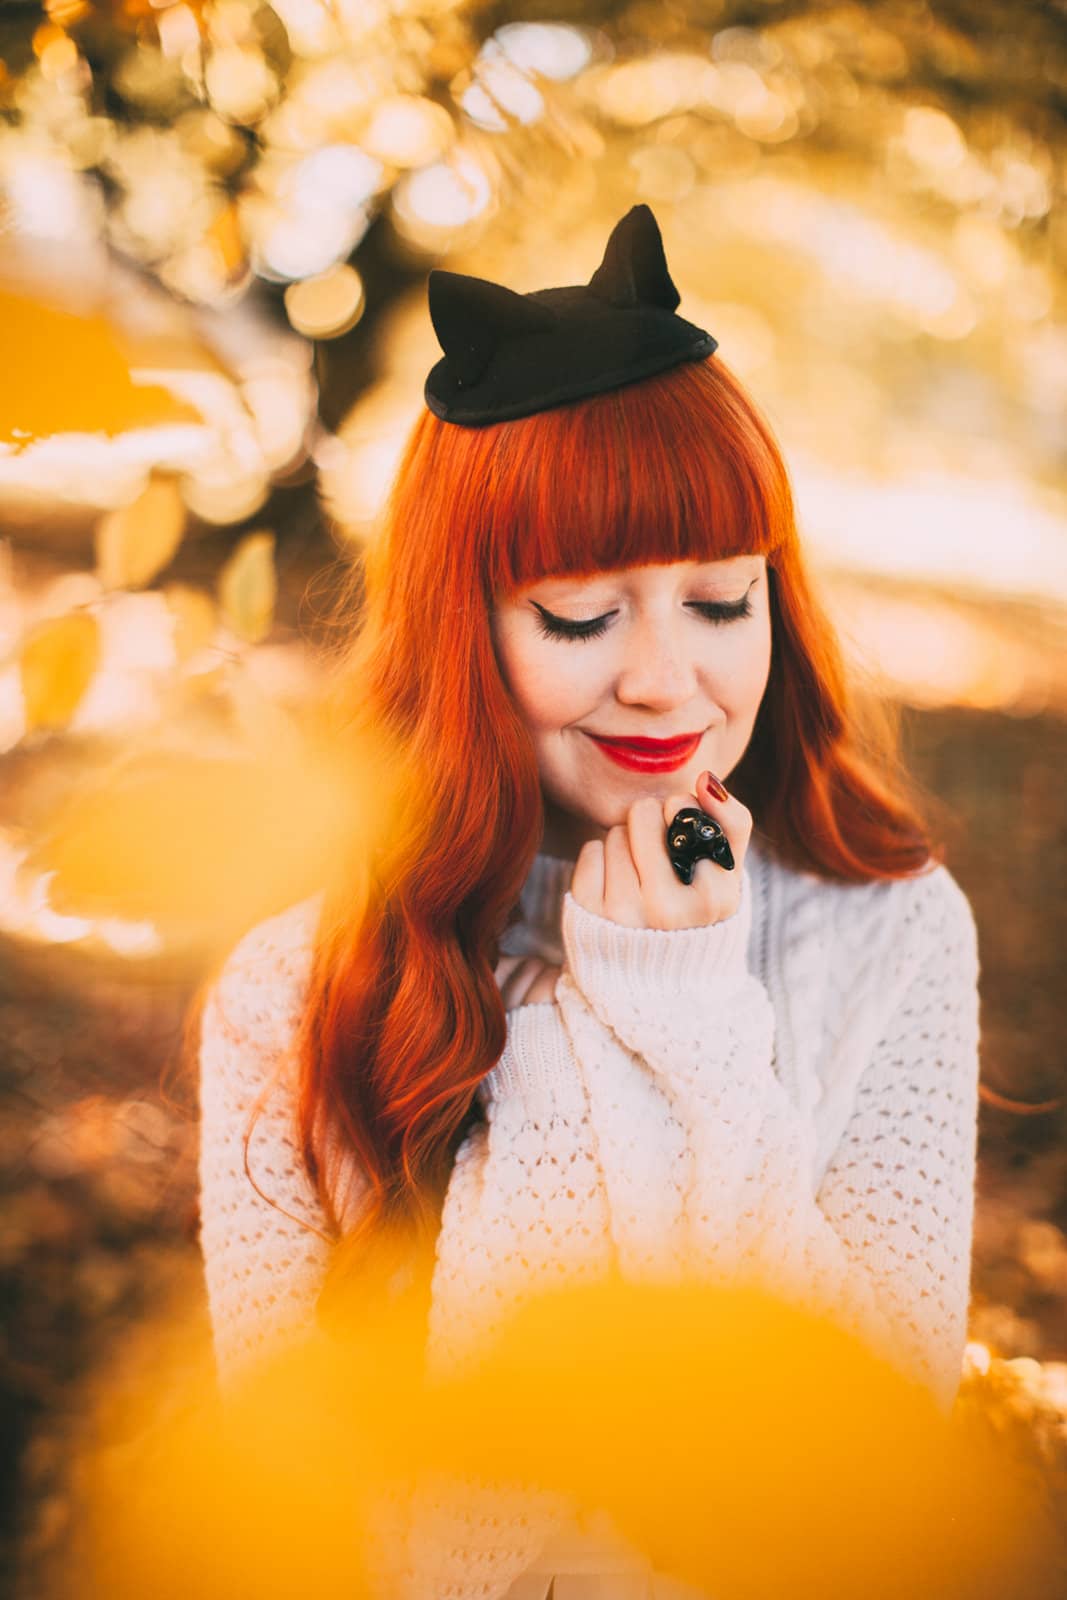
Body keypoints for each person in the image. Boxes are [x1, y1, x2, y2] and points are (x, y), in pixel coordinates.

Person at [195, 205, 982, 1600]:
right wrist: (579, 1021)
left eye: (722, 600)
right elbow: (327, 1531)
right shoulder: (291, 986)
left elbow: (875, 1468)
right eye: (580, 616)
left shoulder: (892, 931)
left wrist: (691, 1024)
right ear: (464, 626)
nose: (669, 682)